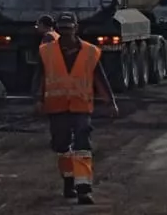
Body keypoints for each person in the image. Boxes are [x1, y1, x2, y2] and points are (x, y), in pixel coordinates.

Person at [37, 11, 118, 204]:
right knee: (61, 146)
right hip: (57, 106)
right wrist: (37, 99)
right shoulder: (46, 52)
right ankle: (68, 181)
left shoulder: (90, 52)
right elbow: (40, 77)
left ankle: (84, 189)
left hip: (81, 106)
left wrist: (110, 102)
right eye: (62, 29)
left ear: (76, 28)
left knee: (83, 144)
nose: (66, 33)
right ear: (58, 30)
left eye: (69, 29)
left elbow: (101, 79)